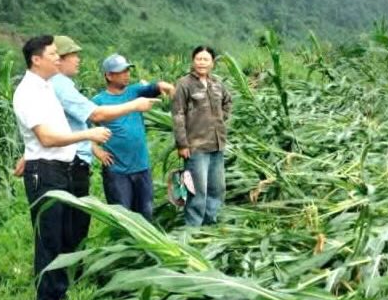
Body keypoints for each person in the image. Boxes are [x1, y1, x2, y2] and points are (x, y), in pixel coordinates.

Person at [22, 36, 160, 249]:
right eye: (72, 56)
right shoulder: (57, 86)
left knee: (70, 223)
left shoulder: (51, 86)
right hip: (68, 164)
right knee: (68, 225)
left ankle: (72, 272)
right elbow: (94, 115)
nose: (77, 60)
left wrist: (29, 154)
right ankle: (73, 271)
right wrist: (134, 106)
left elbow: (49, 125)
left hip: (122, 164)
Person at [12, 35, 111, 300]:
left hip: (59, 170)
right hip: (45, 172)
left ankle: (59, 293)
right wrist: (88, 134)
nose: (59, 57)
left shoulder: (44, 88)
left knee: (62, 233)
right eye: (53, 53)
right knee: (49, 239)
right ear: (36, 59)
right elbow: (45, 138)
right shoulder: (28, 92)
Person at [92, 53, 174, 221]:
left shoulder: (135, 91)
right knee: (124, 218)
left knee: (146, 213)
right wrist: (95, 150)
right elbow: (80, 128)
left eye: (128, 70)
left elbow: (154, 88)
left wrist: (164, 86)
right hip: (117, 171)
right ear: (108, 75)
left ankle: (144, 248)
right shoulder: (98, 101)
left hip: (141, 166)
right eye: (122, 71)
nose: (127, 74)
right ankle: (125, 247)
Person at [172, 45, 233, 226]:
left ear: (212, 63)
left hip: (217, 145)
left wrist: (221, 119)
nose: (202, 63)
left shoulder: (217, 83)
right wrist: (182, 144)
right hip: (195, 147)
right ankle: (193, 230)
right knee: (197, 191)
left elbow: (228, 101)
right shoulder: (184, 84)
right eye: (198, 59)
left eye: (206, 59)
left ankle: (210, 225)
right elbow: (178, 115)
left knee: (217, 189)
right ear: (193, 61)